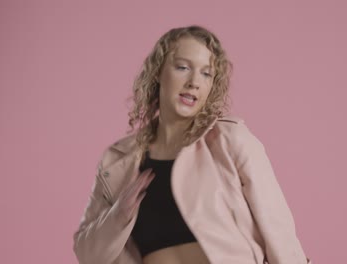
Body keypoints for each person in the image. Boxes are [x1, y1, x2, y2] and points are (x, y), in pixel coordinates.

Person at [73, 25, 312, 264]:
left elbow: (276, 225)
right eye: (183, 67)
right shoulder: (117, 161)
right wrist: (117, 216)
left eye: (206, 73)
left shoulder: (230, 139)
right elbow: (87, 255)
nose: (194, 82)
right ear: (158, 71)